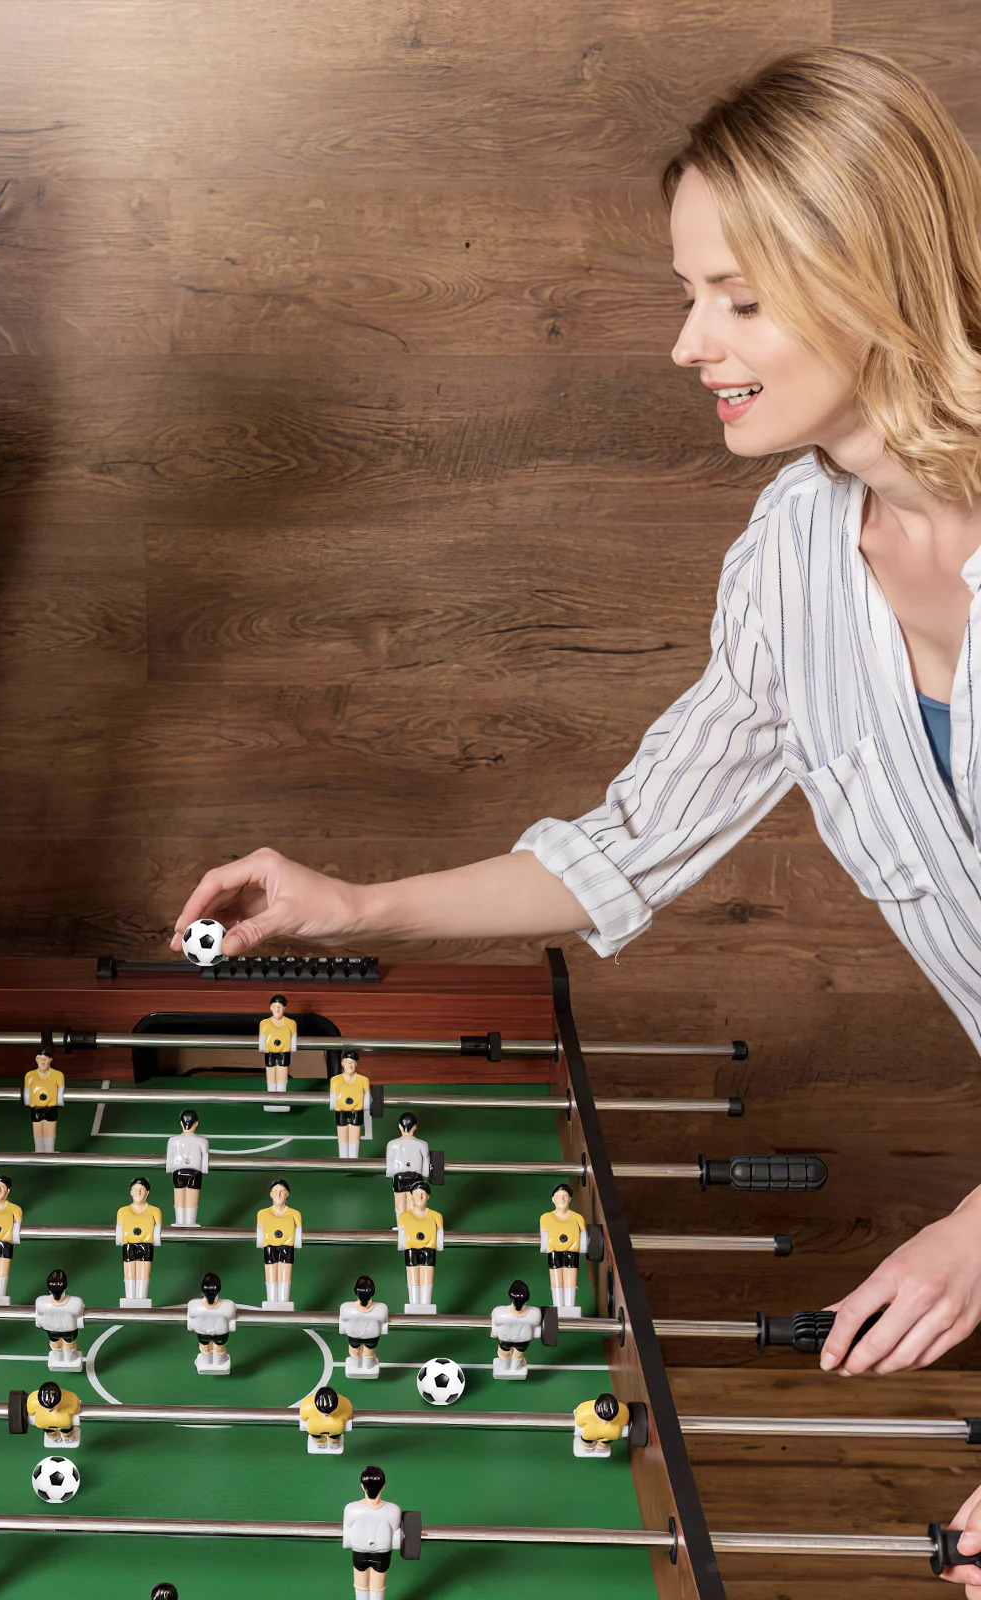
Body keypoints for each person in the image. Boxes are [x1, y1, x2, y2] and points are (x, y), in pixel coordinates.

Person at [171, 46, 981, 1390]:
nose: (688, 343)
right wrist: (347, 907)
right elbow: (629, 843)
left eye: (738, 298)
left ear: (870, 278)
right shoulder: (792, 556)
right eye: (686, 294)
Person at [341, 1464, 403, 1598]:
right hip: (382, 1553)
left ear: (362, 1486)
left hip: (359, 1551)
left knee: (360, 1584)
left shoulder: (351, 1509)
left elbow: (347, 1540)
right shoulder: (393, 1510)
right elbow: (397, 1539)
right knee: (378, 1586)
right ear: (384, 1485)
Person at [396, 1180, 445, 1311]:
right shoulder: (403, 1216)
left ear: (428, 1196)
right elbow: (401, 1234)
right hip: (411, 1248)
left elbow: (440, 1232)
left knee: (427, 1277)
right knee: (412, 1276)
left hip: (429, 1248)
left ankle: (426, 1304)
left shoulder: (436, 1216)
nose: (420, 1197)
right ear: (411, 1196)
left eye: (423, 1194)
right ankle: (413, 1303)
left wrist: (437, 1243)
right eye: (417, 1194)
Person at [539, 1183, 587, 1316]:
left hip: (572, 1251)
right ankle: (558, 1306)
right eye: (559, 1196)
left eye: (565, 1196)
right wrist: (547, 1247)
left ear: (570, 1199)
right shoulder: (546, 1217)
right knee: (556, 1279)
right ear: (553, 1199)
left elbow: (583, 1234)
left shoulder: (577, 1217)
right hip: (554, 1251)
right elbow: (544, 1234)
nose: (562, 1199)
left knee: (570, 1279)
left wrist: (581, 1247)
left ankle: (570, 1307)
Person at [116, 1176, 163, 1306]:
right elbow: (119, 1227)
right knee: (130, 1271)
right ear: (131, 1192)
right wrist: (120, 1239)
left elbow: (157, 1226)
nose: (138, 1192)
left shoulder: (154, 1210)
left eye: (141, 1189)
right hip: (128, 1243)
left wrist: (156, 1238)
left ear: (147, 1192)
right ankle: (130, 1299)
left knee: (143, 1272)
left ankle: (141, 1298)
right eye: (135, 1189)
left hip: (146, 1243)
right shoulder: (123, 1211)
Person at [256, 1178, 303, 1308]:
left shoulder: (294, 1213)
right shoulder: (263, 1213)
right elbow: (260, 1230)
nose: (278, 1194)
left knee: (285, 1273)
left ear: (287, 1194)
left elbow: (298, 1230)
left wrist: (296, 1241)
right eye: (275, 1191)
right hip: (269, 1245)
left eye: (282, 1191)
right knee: (271, 1273)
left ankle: (284, 1301)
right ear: (271, 1194)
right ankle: (271, 1300)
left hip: (287, 1245)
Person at [490, 1279, 544, 1379]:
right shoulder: (535, 1313)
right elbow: (536, 1322)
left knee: (504, 1353)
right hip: (523, 1341)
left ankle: (506, 1368)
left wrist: (495, 1332)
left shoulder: (499, 1311)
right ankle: (514, 1368)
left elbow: (496, 1322)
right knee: (518, 1354)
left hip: (506, 1340)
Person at [186, 1272, 238, 1374]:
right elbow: (232, 1323)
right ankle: (216, 1362)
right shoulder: (229, 1306)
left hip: (205, 1333)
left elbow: (190, 1322)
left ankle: (211, 1361)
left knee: (207, 1347)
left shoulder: (193, 1306)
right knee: (216, 1347)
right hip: (219, 1334)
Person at [35, 1269, 86, 1371]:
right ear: (65, 1287)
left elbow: (39, 1314)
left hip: (51, 1329)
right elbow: (79, 1312)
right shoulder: (76, 1303)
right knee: (69, 1344)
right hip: (69, 1329)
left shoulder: (41, 1302)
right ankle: (70, 1360)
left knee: (55, 1344)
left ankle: (59, 1359)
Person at [339, 1275, 389, 1379]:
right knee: (369, 1351)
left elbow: (343, 1320)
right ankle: (368, 1365)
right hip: (372, 1337)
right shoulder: (381, 1309)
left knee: (354, 1350)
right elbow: (384, 1320)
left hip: (354, 1336)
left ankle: (355, 1364)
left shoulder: (346, 1308)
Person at [166, 1108, 209, 1226]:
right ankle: (190, 1222)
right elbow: (205, 1156)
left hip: (178, 1171)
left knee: (180, 1196)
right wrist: (204, 1169)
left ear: (181, 1123)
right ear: (196, 1123)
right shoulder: (202, 1141)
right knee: (191, 1197)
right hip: (195, 1171)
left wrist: (170, 1168)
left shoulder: (173, 1140)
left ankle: (180, 1221)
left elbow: (170, 1157)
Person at [383, 1113, 431, 1218]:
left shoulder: (392, 1144)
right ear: (415, 1126)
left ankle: (401, 1226)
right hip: (416, 1177)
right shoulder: (422, 1144)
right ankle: (411, 1226)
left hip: (399, 1177)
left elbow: (390, 1165)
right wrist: (425, 1174)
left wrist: (390, 1173)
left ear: (400, 1126)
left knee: (400, 1205)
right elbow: (426, 1163)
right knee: (412, 1205)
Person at [329, 1049, 371, 1159]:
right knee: (342, 1134)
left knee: (354, 1135)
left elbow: (367, 1094)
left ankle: (353, 1158)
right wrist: (333, 1104)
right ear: (342, 1063)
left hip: (356, 1111)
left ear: (356, 1064)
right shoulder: (335, 1080)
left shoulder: (363, 1080)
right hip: (341, 1110)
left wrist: (365, 1105)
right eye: (348, 1062)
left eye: (352, 1063)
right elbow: (333, 1095)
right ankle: (343, 1157)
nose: (350, 1065)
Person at [24, 1047, 66, 1152]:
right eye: (40, 1058)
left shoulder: (58, 1075)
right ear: (36, 1059)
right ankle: (39, 1152)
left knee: (49, 1131)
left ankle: (49, 1152)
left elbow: (60, 1089)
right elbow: (27, 1090)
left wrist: (59, 1101)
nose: (42, 1061)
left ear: (50, 1060)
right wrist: (27, 1101)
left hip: (51, 1107)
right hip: (36, 1108)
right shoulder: (30, 1075)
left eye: (45, 1058)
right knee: (37, 1131)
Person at [257, 994, 296, 1107]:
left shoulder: (290, 1023)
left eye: (279, 1006)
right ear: (270, 1008)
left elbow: (293, 1037)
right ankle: (271, 1099)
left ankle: (281, 1099)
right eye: (274, 1006)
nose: (277, 1009)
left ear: (284, 1008)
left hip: (284, 1051)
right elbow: (262, 1037)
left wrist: (292, 1048)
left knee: (282, 1074)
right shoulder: (264, 1023)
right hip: (270, 1051)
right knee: (270, 1074)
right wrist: (262, 1047)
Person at [299, 1384, 354, 1454]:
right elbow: (303, 1417)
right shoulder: (306, 1405)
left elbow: (348, 1416)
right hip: (316, 1430)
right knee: (318, 1438)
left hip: (335, 1430)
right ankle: (320, 1442)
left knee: (334, 1438)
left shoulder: (345, 1405)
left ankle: (332, 1442)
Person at [26, 1380, 81, 1449]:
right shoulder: (72, 1397)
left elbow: (30, 1412)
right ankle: (68, 1438)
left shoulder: (32, 1398)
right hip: (63, 1421)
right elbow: (75, 1411)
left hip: (44, 1422)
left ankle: (55, 1439)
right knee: (66, 1429)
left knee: (50, 1430)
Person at [572, 1392, 626, 1459]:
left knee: (588, 1441)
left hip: (590, 1434)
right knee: (605, 1441)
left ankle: (588, 1448)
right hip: (611, 1434)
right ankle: (601, 1448)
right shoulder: (624, 1410)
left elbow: (579, 1423)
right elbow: (624, 1422)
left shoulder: (583, 1409)